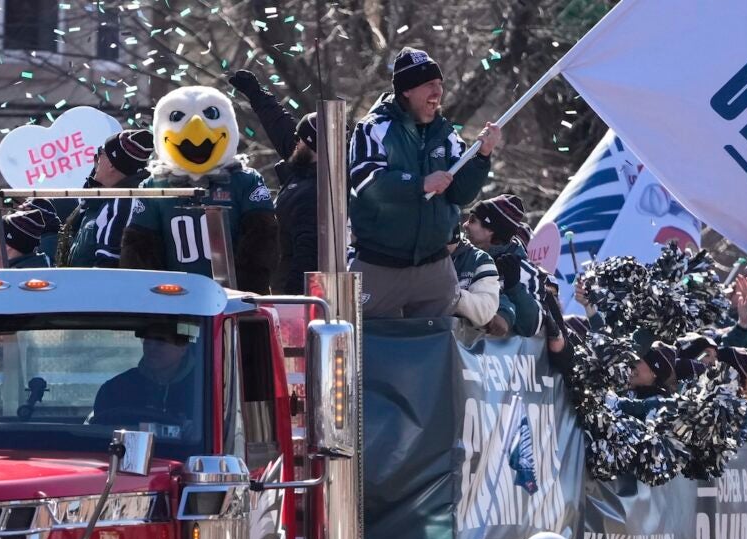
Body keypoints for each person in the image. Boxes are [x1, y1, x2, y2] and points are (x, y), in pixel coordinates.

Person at [348, 47, 501, 318]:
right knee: (362, 342)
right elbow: (366, 184)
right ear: (406, 90)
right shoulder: (373, 128)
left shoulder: (446, 134)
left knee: (437, 345)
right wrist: (419, 184)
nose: (437, 92)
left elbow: (461, 194)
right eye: (429, 84)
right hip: (378, 263)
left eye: (440, 84)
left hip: (434, 265)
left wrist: (482, 157)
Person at [122, 85, 281, 292]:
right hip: (175, 300)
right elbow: (140, 252)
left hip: (232, 301)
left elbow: (262, 242)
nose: (196, 132)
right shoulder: (154, 186)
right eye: (178, 117)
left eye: (211, 115)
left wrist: (245, 292)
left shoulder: (245, 181)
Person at [228, 70, 319, 294]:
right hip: (282, 282)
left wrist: (290, 299)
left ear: (310, 146)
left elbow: (307, 254)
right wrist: (256, 93)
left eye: (299, 140)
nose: (293, 143)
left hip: (293, 292)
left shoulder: (312, 193)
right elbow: (280, 125)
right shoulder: (304, 164)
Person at [55, 129, 154, 267]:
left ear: (111, 164)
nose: (95, 160)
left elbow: (107, 271)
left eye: (99, 153)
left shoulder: (122, 205)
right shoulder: (98, 202)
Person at [92, 324, 201, 430]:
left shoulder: (204, 389)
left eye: (160, 342)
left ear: (183, 347)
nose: (151, 348)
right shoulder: (114, 389)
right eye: (147, 342)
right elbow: (98, 433)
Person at [464, 195, 542, 337]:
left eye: (472, 220)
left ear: (490, 230)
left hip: (494, 356)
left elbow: (532, 326)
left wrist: (514, 287)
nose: (465, 225)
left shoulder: (521, 266)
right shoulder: (463, 253)